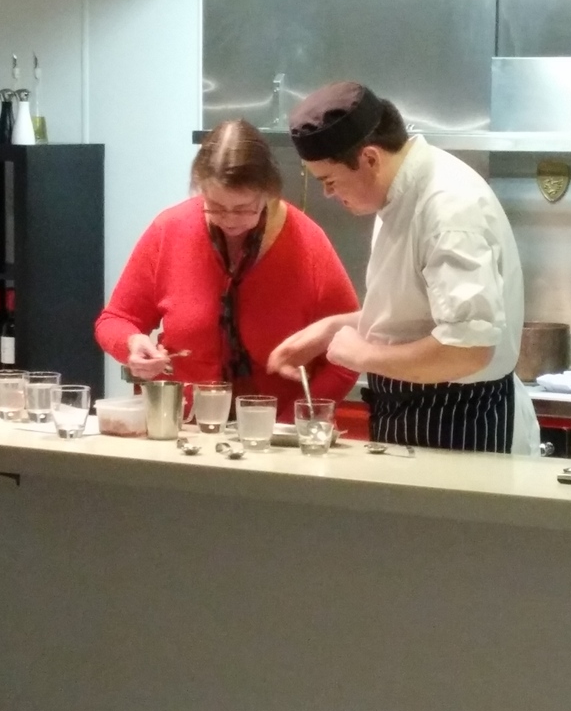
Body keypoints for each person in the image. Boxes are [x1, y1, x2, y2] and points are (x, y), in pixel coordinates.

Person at [267, 81, 540, 454]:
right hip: (412, 411)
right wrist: (330, 330)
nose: (328, 194)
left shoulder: (448, 208)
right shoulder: (397, 193)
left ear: (370, 159)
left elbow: (468, 350)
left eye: (329, 181)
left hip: (459, 421)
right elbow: (416, 315)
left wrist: (359, 355)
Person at [95, 119, 359, 421]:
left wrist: (291, 423)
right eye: (216, 207)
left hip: (280, 429)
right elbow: (115, 320)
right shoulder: (170, 230)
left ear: (268, 193)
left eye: (244, 208)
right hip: (184, 425)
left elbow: (349, 352)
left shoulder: (307, 244)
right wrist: (131, 344)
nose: (230, 220)